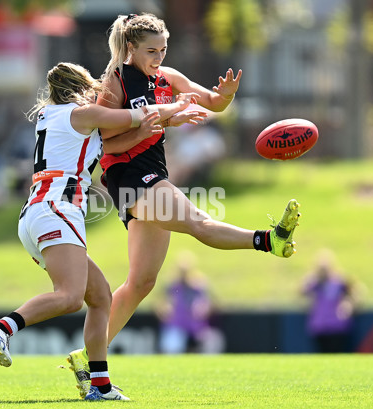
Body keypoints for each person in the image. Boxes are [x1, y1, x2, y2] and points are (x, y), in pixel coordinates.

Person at [66, 13, 302, 394]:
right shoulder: (115, 82)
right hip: (129, 178)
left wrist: (225, 95)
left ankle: (87, 355)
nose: (158, 57)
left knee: (141, 282)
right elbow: (102, 144)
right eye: (150, 51)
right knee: (198, 222)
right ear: (130, 48)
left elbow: (211, 102)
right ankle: (267, 240)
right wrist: (150, 126)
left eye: (163, 49)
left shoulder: (166, 77)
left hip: (153, 175)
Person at [0, 62, 203, 401]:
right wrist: (176, 106)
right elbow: (135, 116)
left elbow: (112, 143)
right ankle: (3, 327)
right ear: (80, 89)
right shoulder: (80, 113)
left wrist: (150, 129)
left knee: (100, 298)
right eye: (94, 89)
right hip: (57, 209)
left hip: (39, 213)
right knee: (69, 297)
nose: (100, 94)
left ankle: (99, 386)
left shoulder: (56, 117)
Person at [156, 252, 225, 354]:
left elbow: (216, 303)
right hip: (176, 324)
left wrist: (206, 307)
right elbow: (159, 303)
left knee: (213, 341)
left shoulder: (199, 285)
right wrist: (165, 310)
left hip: (197, 325)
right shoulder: (171, 286)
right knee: (172, 345)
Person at [301, 249, 358, 353]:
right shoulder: (315, 282)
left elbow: (355, 293)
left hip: (337, 325)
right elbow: (301, 292)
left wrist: (348, 304)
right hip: (319, 326)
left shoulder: (339, 280)